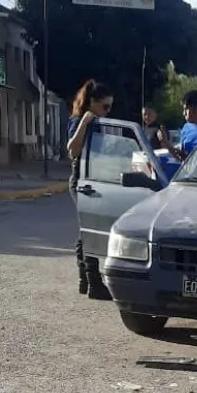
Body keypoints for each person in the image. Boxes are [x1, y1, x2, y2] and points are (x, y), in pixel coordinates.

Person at [66, 79, 114, 297]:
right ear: (92, 103)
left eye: (110, 107)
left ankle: (85, 281)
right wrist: (84, 123)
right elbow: (72, 151)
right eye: (105, 106)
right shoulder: (79, 120)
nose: (108, 111)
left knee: (85, 231)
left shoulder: (100, 123)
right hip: (81, 181)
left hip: (96, 179)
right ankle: (93, 282)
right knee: (89, 231)